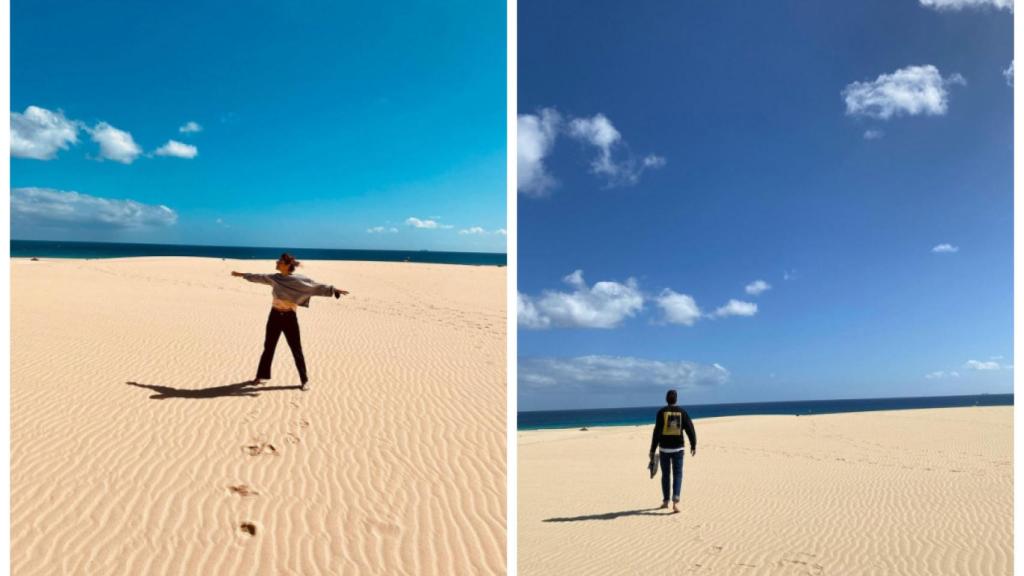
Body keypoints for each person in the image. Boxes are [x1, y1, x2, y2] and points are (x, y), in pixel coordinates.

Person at [231, 253, 348, 391]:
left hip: (289, 317)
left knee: (296, 349)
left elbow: (315, 286)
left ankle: (304, 380)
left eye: (280, 261)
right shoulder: (275, 278)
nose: (277, 262)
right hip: (274, 316)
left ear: (287, 265)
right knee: (268, 347)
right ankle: (260, 376)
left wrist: (334, 290)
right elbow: (258, 277)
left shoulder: (299, 280)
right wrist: (242, 275)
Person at [649, 389, 696, 513]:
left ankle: (665, 501)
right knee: (678, 474)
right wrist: (693, 444)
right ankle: (675, 502)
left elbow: (656, 432)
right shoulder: (682, 412)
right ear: (676, 399)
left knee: (665, 475)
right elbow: (690, 428)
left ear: (666, 399)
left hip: (664, 449)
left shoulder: (661, 412)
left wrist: (652, 449)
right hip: (678, 449)